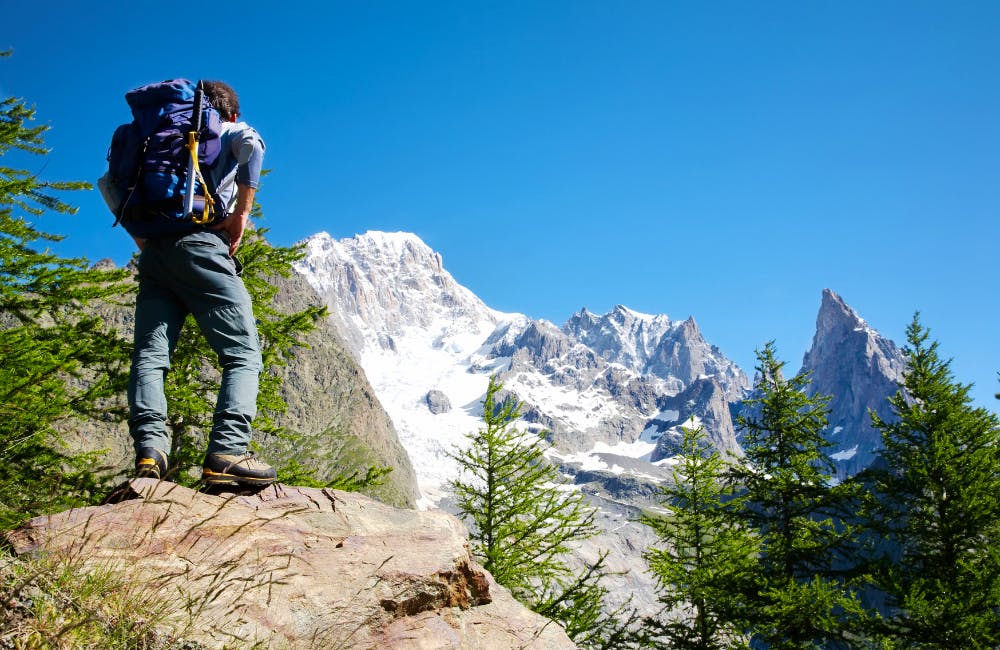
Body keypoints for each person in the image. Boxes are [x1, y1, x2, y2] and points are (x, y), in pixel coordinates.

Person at [100, 80, 276, 486]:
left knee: (150, 354)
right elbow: (253, 144)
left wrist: (142, 239)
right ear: (228, 113)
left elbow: (106, 184)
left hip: (155, 256)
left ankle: (150, 453)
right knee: (243, 353)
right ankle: (228, 453)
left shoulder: (146, 138)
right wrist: (240, 218)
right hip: (201, 246)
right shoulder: (223, 128)